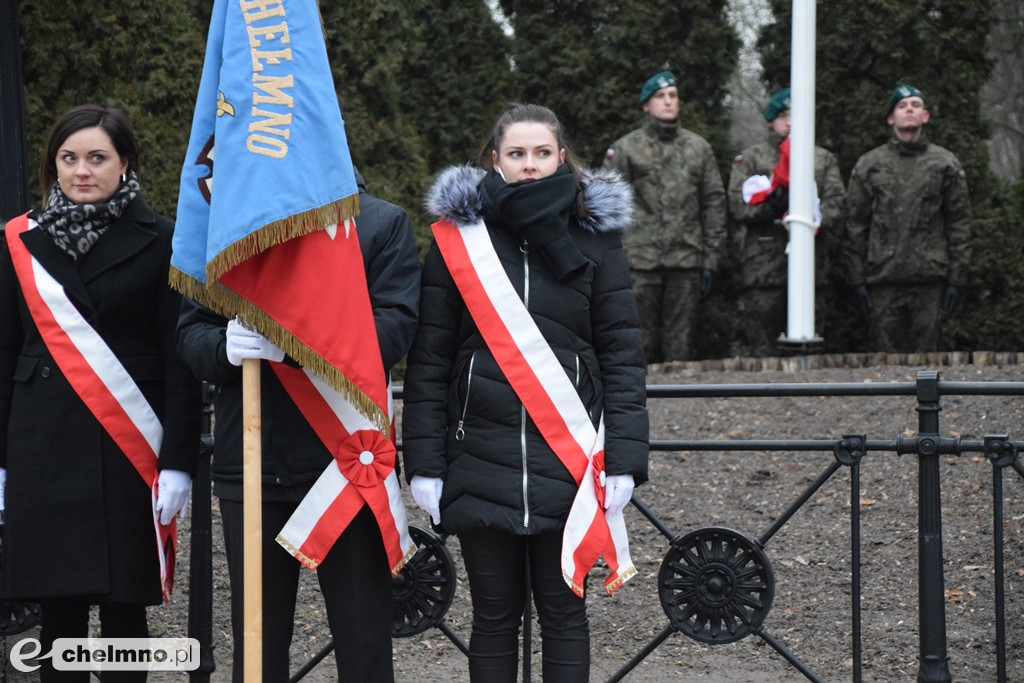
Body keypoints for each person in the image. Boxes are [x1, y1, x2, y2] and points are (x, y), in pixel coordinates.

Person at [402, 103, 649, 682]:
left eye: (542, 153)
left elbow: (621, 353)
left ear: (562, 157)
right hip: (478, 455)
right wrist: (426, 463)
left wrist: (626, 460)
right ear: (495, 160)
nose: (531, 165)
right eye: (517, 154)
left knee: (565, 614)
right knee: (492, 618)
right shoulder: (458, 241)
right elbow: (430, 359)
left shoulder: (597, 237)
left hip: (571, 458)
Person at [176, 167, 420, 682]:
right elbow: (192, 334)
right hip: (250, 458)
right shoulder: (228, 232)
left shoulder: (378, 223)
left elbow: (393, 331)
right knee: (258, 647)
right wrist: (224, 349)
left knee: (364, 641)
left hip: (345, 461)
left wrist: (293, 345)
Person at [0, 104, 201, 682]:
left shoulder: (163, 239)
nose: (81, 170)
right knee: (56, 613)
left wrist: (179, 463)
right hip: (43, 445)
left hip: (127, 445)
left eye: (97, 157)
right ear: (53, 166)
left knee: (123, 616)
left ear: (125, 164)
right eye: (68, 158)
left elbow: (180, 359)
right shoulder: (20, 242)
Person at [601, 70, 727, 363]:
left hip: (686, 261)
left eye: (672, 95)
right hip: (639, 263)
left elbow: (714, 204)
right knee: (636, 342)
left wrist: (711, 260)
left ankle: (677, 408)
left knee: (679, 347)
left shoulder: (699, 148)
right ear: (646, 105)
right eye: (660, 96)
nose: (668, 102)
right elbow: (608, 208)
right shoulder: (625, 149)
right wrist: (611, 262)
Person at [841, 84, 972, 353]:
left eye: (915, 105)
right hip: (883, 280)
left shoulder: (945, 163)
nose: (909, 109)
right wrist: (857, 281)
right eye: (902, 106)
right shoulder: (870, 165)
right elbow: (855, 225)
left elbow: (959, 223)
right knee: (885, 368)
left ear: (926, 116)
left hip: (930, 279)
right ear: (891, 118)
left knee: (927, 368)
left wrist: (958, 279)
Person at [727, 87, 846, 356]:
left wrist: (809, 218)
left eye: (797, 115)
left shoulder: (823, 160)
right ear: (771, 120)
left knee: (808, 349)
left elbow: (836, 204)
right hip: (763, 271)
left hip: (811, 270)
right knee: (763, 353)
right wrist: (771, 207)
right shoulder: (750, 160)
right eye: (783, 115)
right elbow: (736, 205)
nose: (790, 122)